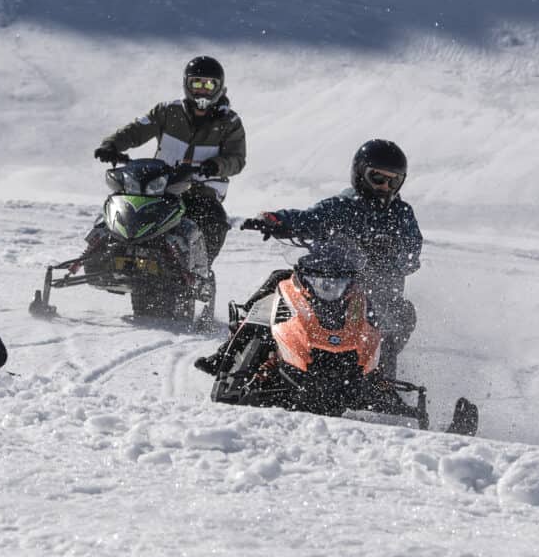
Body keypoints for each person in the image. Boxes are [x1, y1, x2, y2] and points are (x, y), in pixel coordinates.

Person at [199, 139, 423, 378]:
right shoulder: (343, 205)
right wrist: (275, 220)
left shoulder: (402, 214)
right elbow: (307, 218)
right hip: (330, 281)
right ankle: (229, 352)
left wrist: (394, 252)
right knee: (278, 284)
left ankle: (381, 379)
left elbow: (412, 251)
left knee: (402, 314)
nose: (384, 187)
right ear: (360, 174)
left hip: (376, 291)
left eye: (393, 181)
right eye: (378, 178)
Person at [94, 55, 247, 265]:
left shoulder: (230, 122)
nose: (202, 90)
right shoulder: (168, 111)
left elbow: (236, 159)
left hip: (200, 190)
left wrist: (216, 166)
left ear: (219, 87)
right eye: (197, 83)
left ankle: (198, 272)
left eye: (209, 85)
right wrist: (111, 145)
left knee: (212, 219)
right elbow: (136, 130)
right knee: (122, 207)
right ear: (186, 84)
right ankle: (99, 253)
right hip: (161, 185)